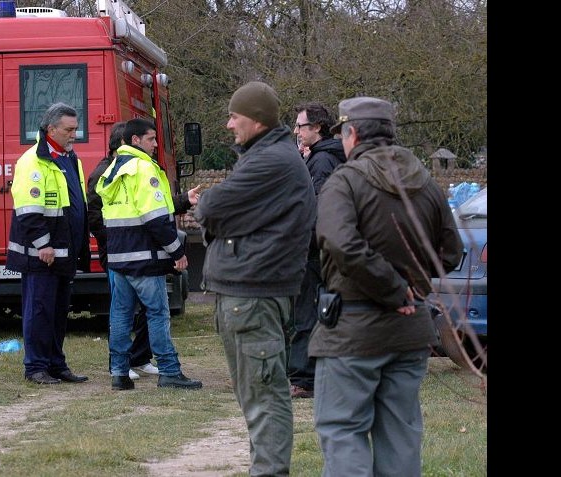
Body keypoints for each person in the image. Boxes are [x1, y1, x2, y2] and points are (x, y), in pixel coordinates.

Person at [310, 96, 463, 476]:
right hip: (409, 334)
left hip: (353, 330)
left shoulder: (344, 182)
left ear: (353, 133)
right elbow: (452, 251)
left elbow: (340, 243)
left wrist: (395, 289)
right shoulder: (425, 183)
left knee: (343, 430)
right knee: (401, 437)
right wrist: (410, 284)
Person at [193, 81, 316, 476]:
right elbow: (222, 212)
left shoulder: (271, 162)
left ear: (257, 119)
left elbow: (211, 206)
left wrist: (219, 217)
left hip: (254, 295)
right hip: (252, 292)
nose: (228, 125)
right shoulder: (267, 156)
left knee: (264, 398)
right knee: (258, 396)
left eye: (234, 116)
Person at [87, 122, 201, 381]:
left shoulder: (112, 170)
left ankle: (118, 372)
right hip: (145, 258)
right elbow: (155, 218)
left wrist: (180, 200)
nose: (156, 144)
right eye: (151, 139)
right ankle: (170, 371)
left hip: (118, 258)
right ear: (136, 140)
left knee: (120, 316)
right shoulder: (144, 168)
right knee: (158, 314)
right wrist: (176, 252)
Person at [5, 102, 90, 385]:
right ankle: (36, 367)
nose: (74, 135)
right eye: (69, 129)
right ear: (51, 129)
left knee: (57, 313)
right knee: (39, 311)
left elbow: (75, 204)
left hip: (64, 254)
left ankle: (56, 364)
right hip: (42, 255)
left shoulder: (69, 158)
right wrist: (44, 245)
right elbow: (29, 212)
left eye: (75, 129)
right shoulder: (32, 161)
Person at [287, 102, 347, 399]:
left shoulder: (322, 162)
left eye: (301, 126)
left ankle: (303, 378)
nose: (297, 131)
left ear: (318, 128)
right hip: (327, 247)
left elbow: (318, 207)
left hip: (314, 249)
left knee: (307, 313)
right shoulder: (328, 156)